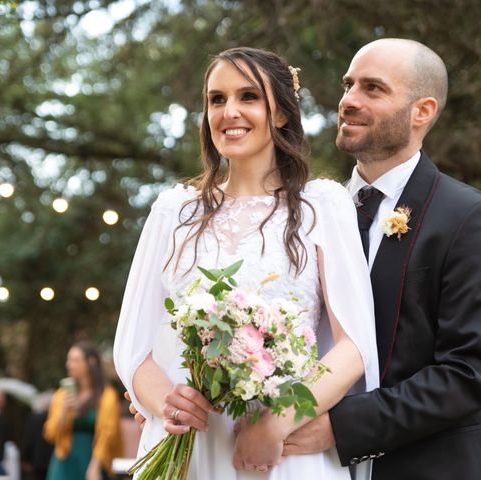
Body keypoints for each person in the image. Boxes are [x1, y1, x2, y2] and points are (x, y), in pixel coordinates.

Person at [114, 47, 379, 479]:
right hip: (192, 448)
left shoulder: (323, 206)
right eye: (216, 100)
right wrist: (167, 402)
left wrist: (277, 423)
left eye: (248, 97)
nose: (229, 112)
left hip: (283, 451)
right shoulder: (173, 212)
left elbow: (354, 347)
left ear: (280, 114)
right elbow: (132, 345)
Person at [268, 38, 481, 479]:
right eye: (348, 85)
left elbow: (469, 373)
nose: (348, 101)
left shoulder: (469, 217)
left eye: (373, 89)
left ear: (423, 111)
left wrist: (341, 428)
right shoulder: (308, 216)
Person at [44, 341, 122, 480]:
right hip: (64, 463)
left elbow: (108, 434)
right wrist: (63, 412)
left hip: (94, 461)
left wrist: (95, 466)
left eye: (74, 360)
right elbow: (49, 434)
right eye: (68, 360)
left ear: (91, 362)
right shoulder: (61, 395)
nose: (68, 364)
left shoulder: (107, 396)